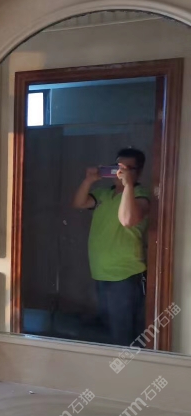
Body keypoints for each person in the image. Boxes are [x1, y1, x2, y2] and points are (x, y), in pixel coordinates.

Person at [72, 148, 150, 347]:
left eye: (127, 168)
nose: (120, 172)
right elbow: (79, 203)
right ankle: (113, 363)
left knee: (123, 334)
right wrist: (89, 180)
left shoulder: (141, 195)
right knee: (109, 330)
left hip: (125, 275)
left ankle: (127, 366)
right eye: (118, 166)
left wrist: (128, 185)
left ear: (138, 172)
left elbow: (127, 220)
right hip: (101, 272)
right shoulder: (103, 194)